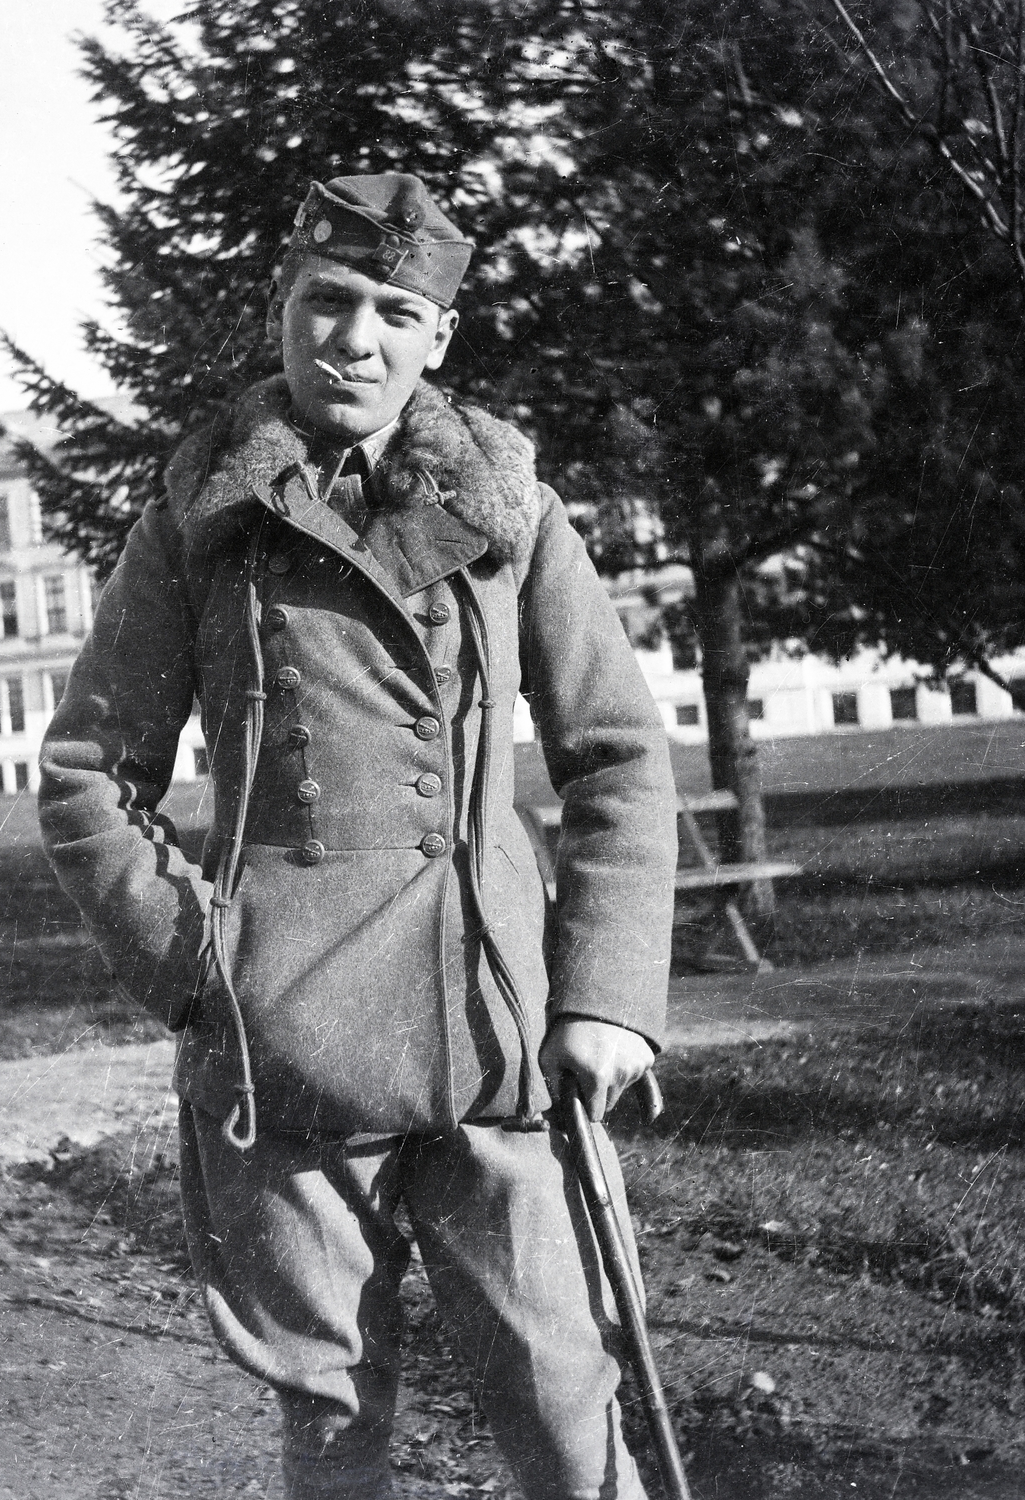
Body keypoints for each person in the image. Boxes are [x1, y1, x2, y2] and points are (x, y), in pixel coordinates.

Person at [39, 173, 678, 1500]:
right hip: (293, 1059)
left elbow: (616, 752)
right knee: (333, 1431)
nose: (356, 338)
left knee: (568, 1409)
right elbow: (91, 776)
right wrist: (208, 970)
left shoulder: (509, 515)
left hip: (496, 1041)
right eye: (329, 300)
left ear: (438, 338)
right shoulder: (200, 521)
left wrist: (609, 998)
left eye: (396, 311)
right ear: (283, 306)